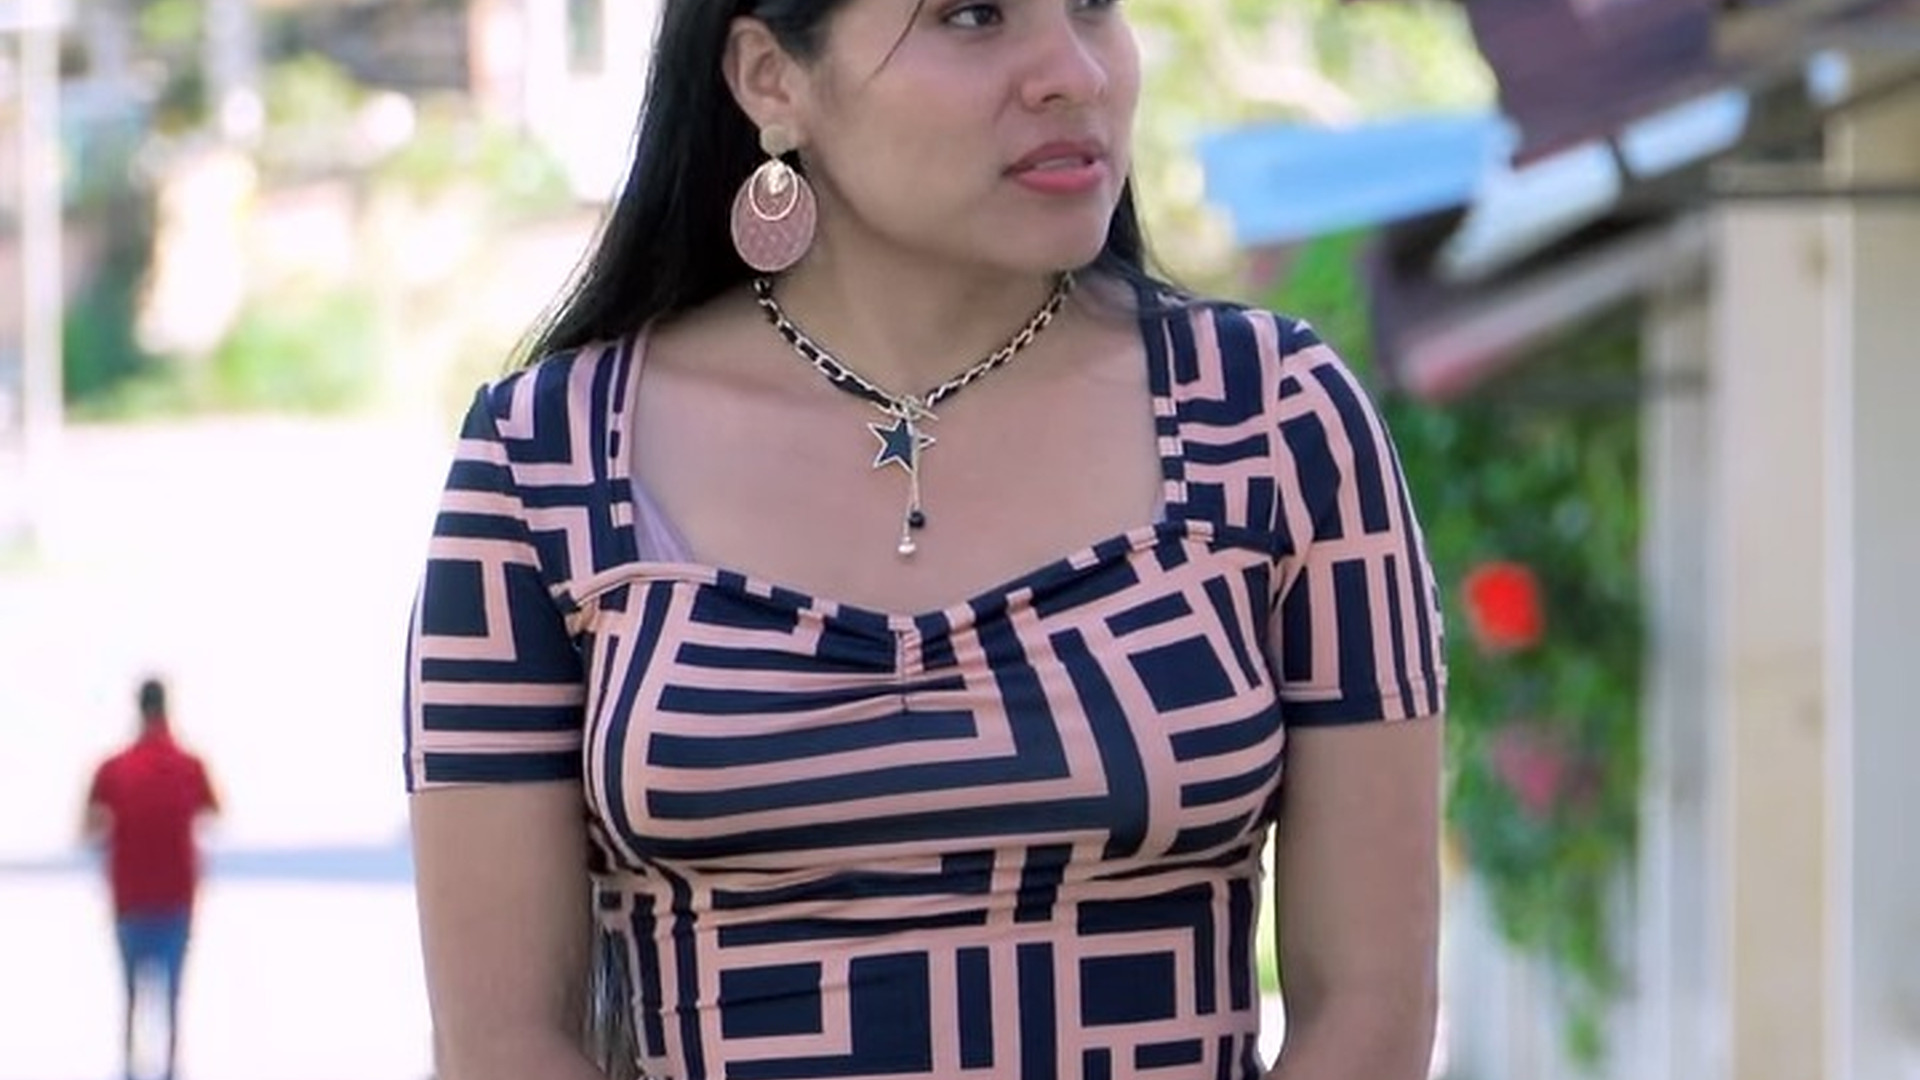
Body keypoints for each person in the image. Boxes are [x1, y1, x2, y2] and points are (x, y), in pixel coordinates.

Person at [403, 2, 1447, 1078]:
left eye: (1094, 6)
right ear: (771, 78)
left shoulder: (1272, 420)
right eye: (973, 15)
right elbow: (501, 1044)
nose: (1074, 73)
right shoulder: (545, 461)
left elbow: (1370, 1007)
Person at [84, 677, 221, 1080]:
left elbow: (88, 825)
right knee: (172, 999)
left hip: (129, 898)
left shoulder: (113, 768)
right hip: (177, 898)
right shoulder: (190, 765)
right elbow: (214, 812)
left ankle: (130, 1066)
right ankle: (170, 1068)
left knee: (131, 996)